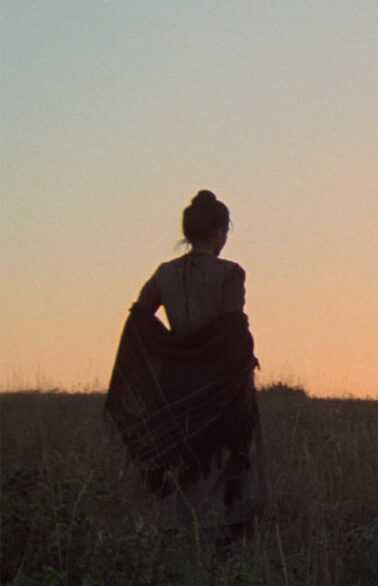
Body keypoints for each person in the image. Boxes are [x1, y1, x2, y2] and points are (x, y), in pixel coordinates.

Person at [104, 189, 267, 545]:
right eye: (225, 231)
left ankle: (176, 532)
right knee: (227, 455)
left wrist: (172, 347)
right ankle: (223, 534)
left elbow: (140, 316)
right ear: (220, 231)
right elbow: (233, 328)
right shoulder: (231, 273)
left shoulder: (165, 274)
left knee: (180, 456)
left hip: (174, 383)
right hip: (220, 383)